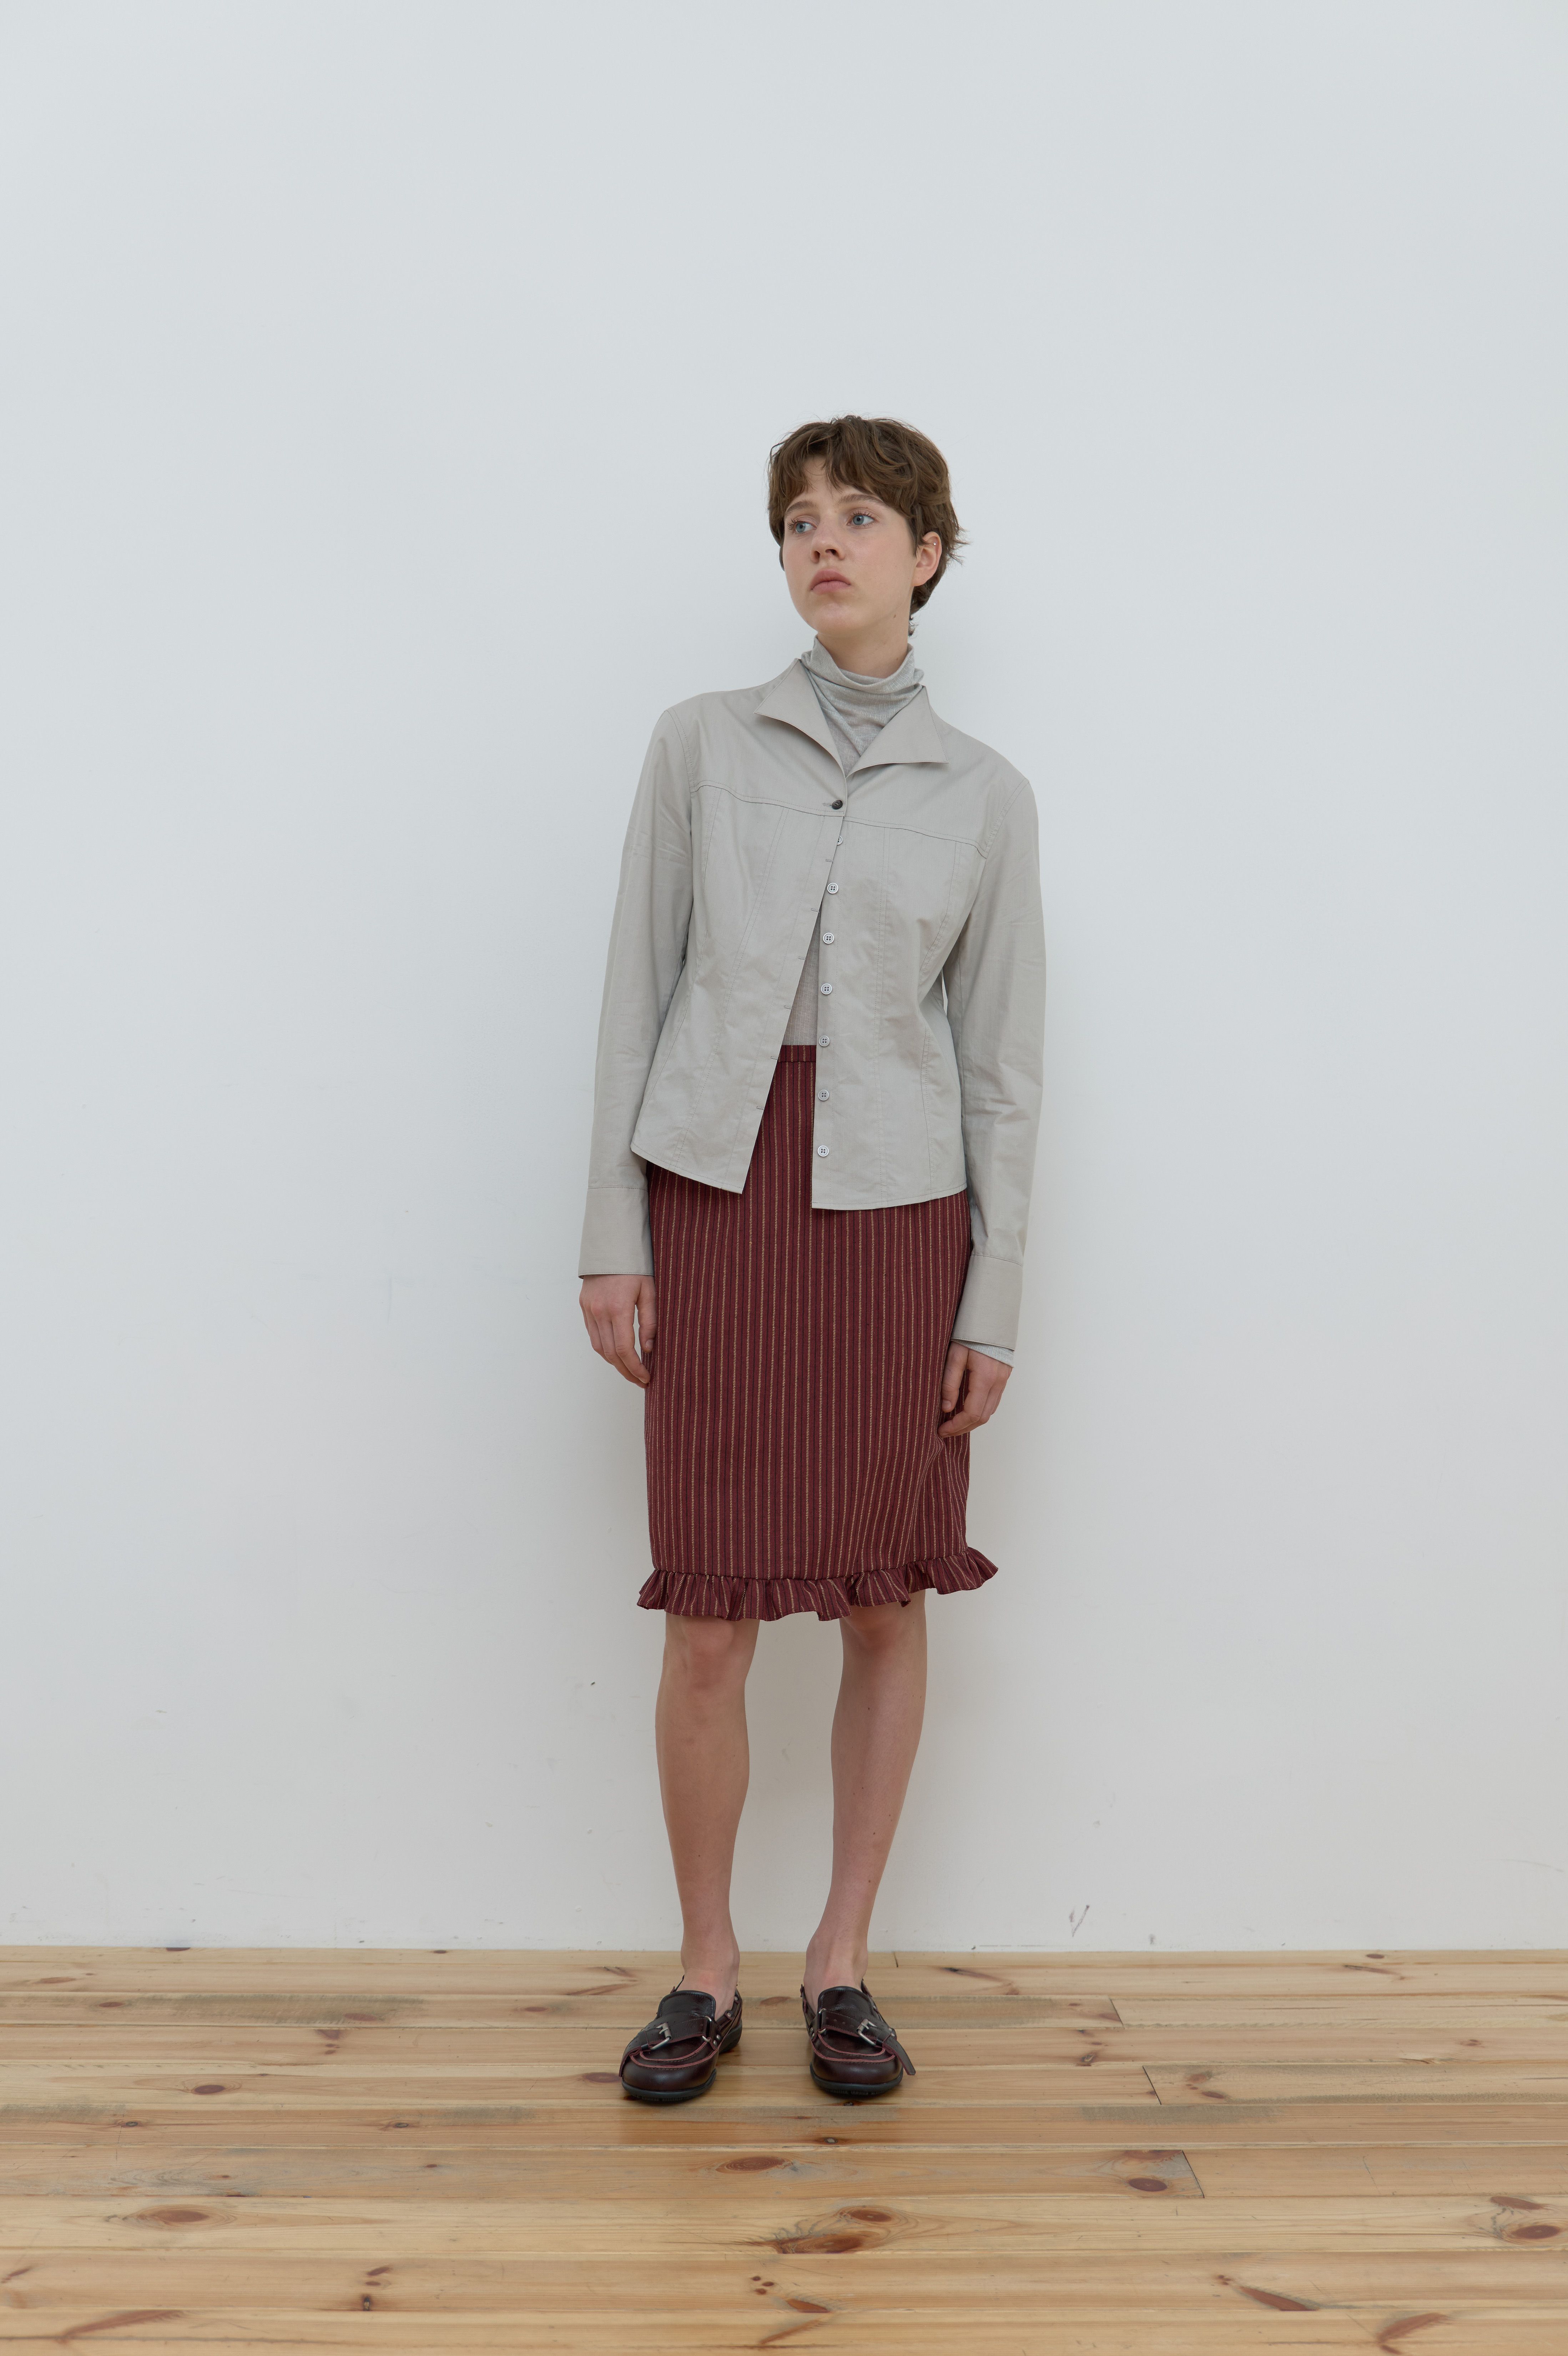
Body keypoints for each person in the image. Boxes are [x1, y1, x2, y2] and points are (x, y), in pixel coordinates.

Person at [578, 415, 1045, 2103]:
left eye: (858, 516)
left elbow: (1000, 1069)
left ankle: (838, 1961)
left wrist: (992, 1297)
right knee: (709, 1617)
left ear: (927, 553)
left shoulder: (985, 797)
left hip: (895, 1222)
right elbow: (637, 993)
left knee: (880, 1593)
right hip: (718, 1198)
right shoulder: (700, 746)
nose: (822, 542)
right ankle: (704, 1968)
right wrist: (611, 1234)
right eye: (796, 520)